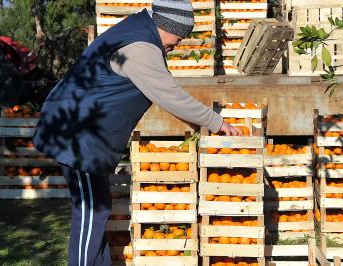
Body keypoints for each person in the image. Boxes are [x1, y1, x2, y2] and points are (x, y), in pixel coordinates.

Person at [32, 1, 241, 265]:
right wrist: (216, 122)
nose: (176, 45)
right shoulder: (140, 48)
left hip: (84, 134)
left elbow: (164, 93)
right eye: (178, 37)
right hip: (78, 137)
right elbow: (169, 94)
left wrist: (198, 122)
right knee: (89, 212)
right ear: (167, 26)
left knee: (99, 209)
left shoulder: (138, 33)